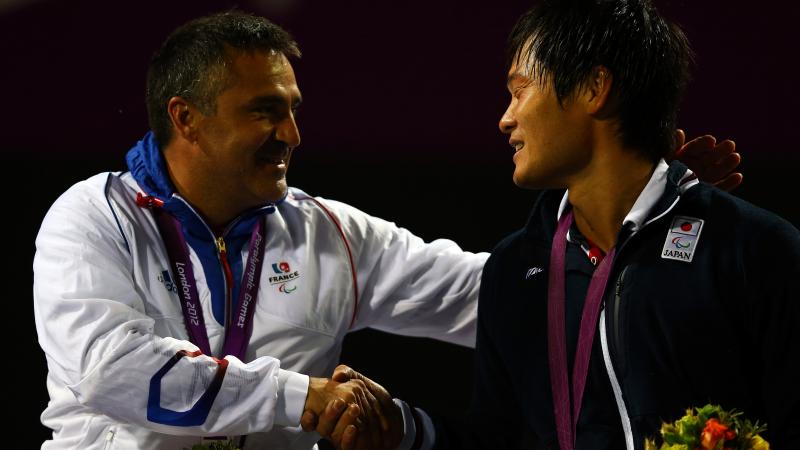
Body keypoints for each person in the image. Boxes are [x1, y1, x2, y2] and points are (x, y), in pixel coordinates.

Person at [33, 9, 742, 450]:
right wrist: (304, 397)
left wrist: (629, 200)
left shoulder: (326, 234)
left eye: (293, 108)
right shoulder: (93, 221)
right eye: (264, 111)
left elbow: (505, 297)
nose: (292, 133)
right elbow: (112, 372)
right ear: (185, 117)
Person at [308, 0, 799, 449]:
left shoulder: (755, 251)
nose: (505, 119)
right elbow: (494, 440)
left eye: (520, 91)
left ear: (594, 88)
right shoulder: (515, 269)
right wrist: (404, 428)